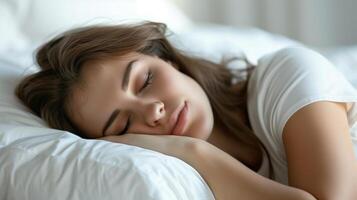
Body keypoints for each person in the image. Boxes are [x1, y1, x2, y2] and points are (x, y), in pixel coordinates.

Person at [16, 21, 357, 200]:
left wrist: (193, 151)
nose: (152, 112)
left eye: (145, 80)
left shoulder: (288, 75)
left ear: (166, 57)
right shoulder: (178, 182)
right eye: (123, 124)